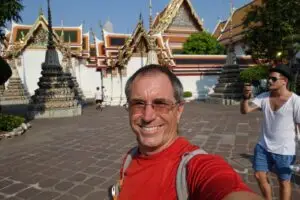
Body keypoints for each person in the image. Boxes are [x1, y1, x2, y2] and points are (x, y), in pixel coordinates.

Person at [114, 64, 262, 200]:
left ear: (179, 111)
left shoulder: (193, 166)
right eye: (138, 104)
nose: (147, 116)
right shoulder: (129, 158)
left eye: (161, 104)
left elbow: (224, 185)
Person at [240, 64, 300, 200]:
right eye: (268, 78)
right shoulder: (264, 97)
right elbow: (245, 111)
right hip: (263, 146)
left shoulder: (296, 101)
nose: (269, 81)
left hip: (285, 150)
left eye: (273, 79)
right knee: (259, 175)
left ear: (284, 81)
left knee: (284, 182)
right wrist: (245, 97)